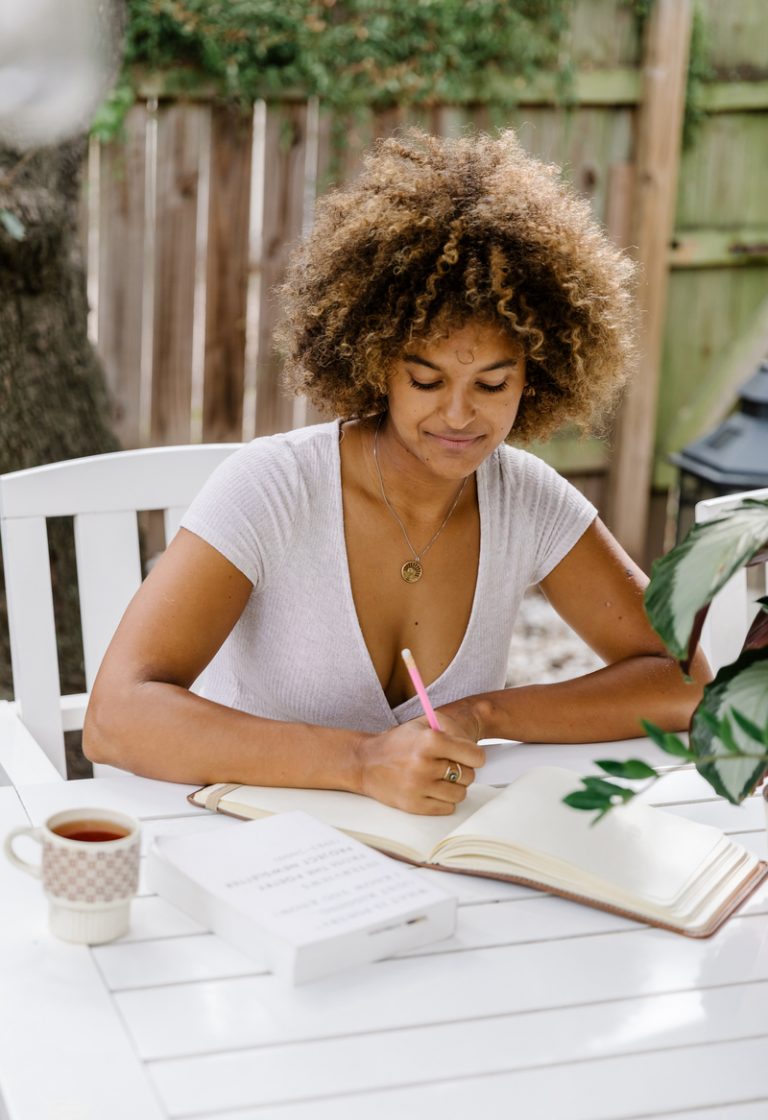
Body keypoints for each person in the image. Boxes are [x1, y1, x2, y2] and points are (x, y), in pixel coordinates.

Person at [83, 129, 709, 814]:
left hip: (428, 854)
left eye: (493, 384)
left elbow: (683, 681)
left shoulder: (528, 501)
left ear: (538, 377)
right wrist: (361, 762)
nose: (460, 415)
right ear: (378, 363)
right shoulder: (272, 488)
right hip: (249, 843)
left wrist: (485, 716)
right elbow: (115, 718)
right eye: (427, 379)